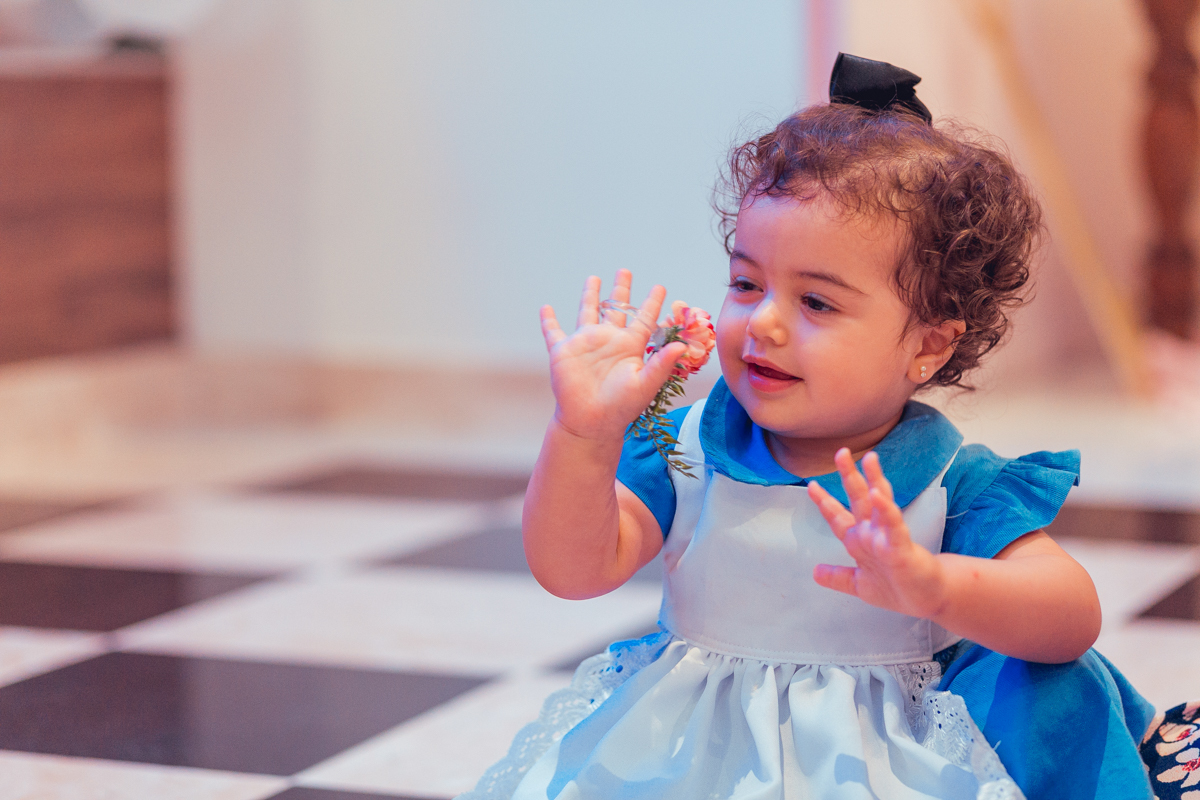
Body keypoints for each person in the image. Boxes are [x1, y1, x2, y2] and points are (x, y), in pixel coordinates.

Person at [459, 54, 1157, 800]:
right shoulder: (691, 450)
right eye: (745, 282)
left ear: (928, 345)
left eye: (816, 303)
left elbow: (1070, 618)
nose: (762, 322)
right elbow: (572, 570)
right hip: (691, 751)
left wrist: (937, 585)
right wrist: (582, 436)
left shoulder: (949, 483)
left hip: (879, 764)